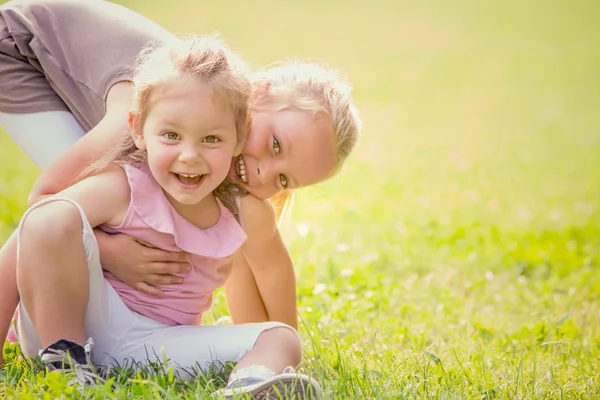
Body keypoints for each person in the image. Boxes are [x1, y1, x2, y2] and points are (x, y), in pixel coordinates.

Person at [0, 0, 360, 353]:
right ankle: (46, 327)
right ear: (258, 93)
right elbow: (44, 203)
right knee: (78, 206)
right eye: (275, 144)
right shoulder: (157, 117)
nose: (264, 172)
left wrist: (277, 341)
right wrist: (109, 251)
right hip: (18, 49)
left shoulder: (205, 136)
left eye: (283, 180)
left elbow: (236, 254)